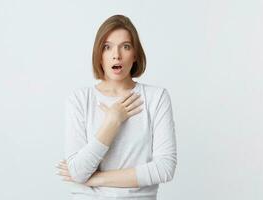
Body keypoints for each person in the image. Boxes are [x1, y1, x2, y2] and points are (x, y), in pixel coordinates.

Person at [56, 14, 177, 200]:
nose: (116, 55)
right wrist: (112, 121)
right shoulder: (80, 99)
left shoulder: (156, 98)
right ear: (99, 53)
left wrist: (95, 179)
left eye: (126, 47)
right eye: (107, 47)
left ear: (135, 54)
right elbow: (78, 172)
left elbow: (165, 168)